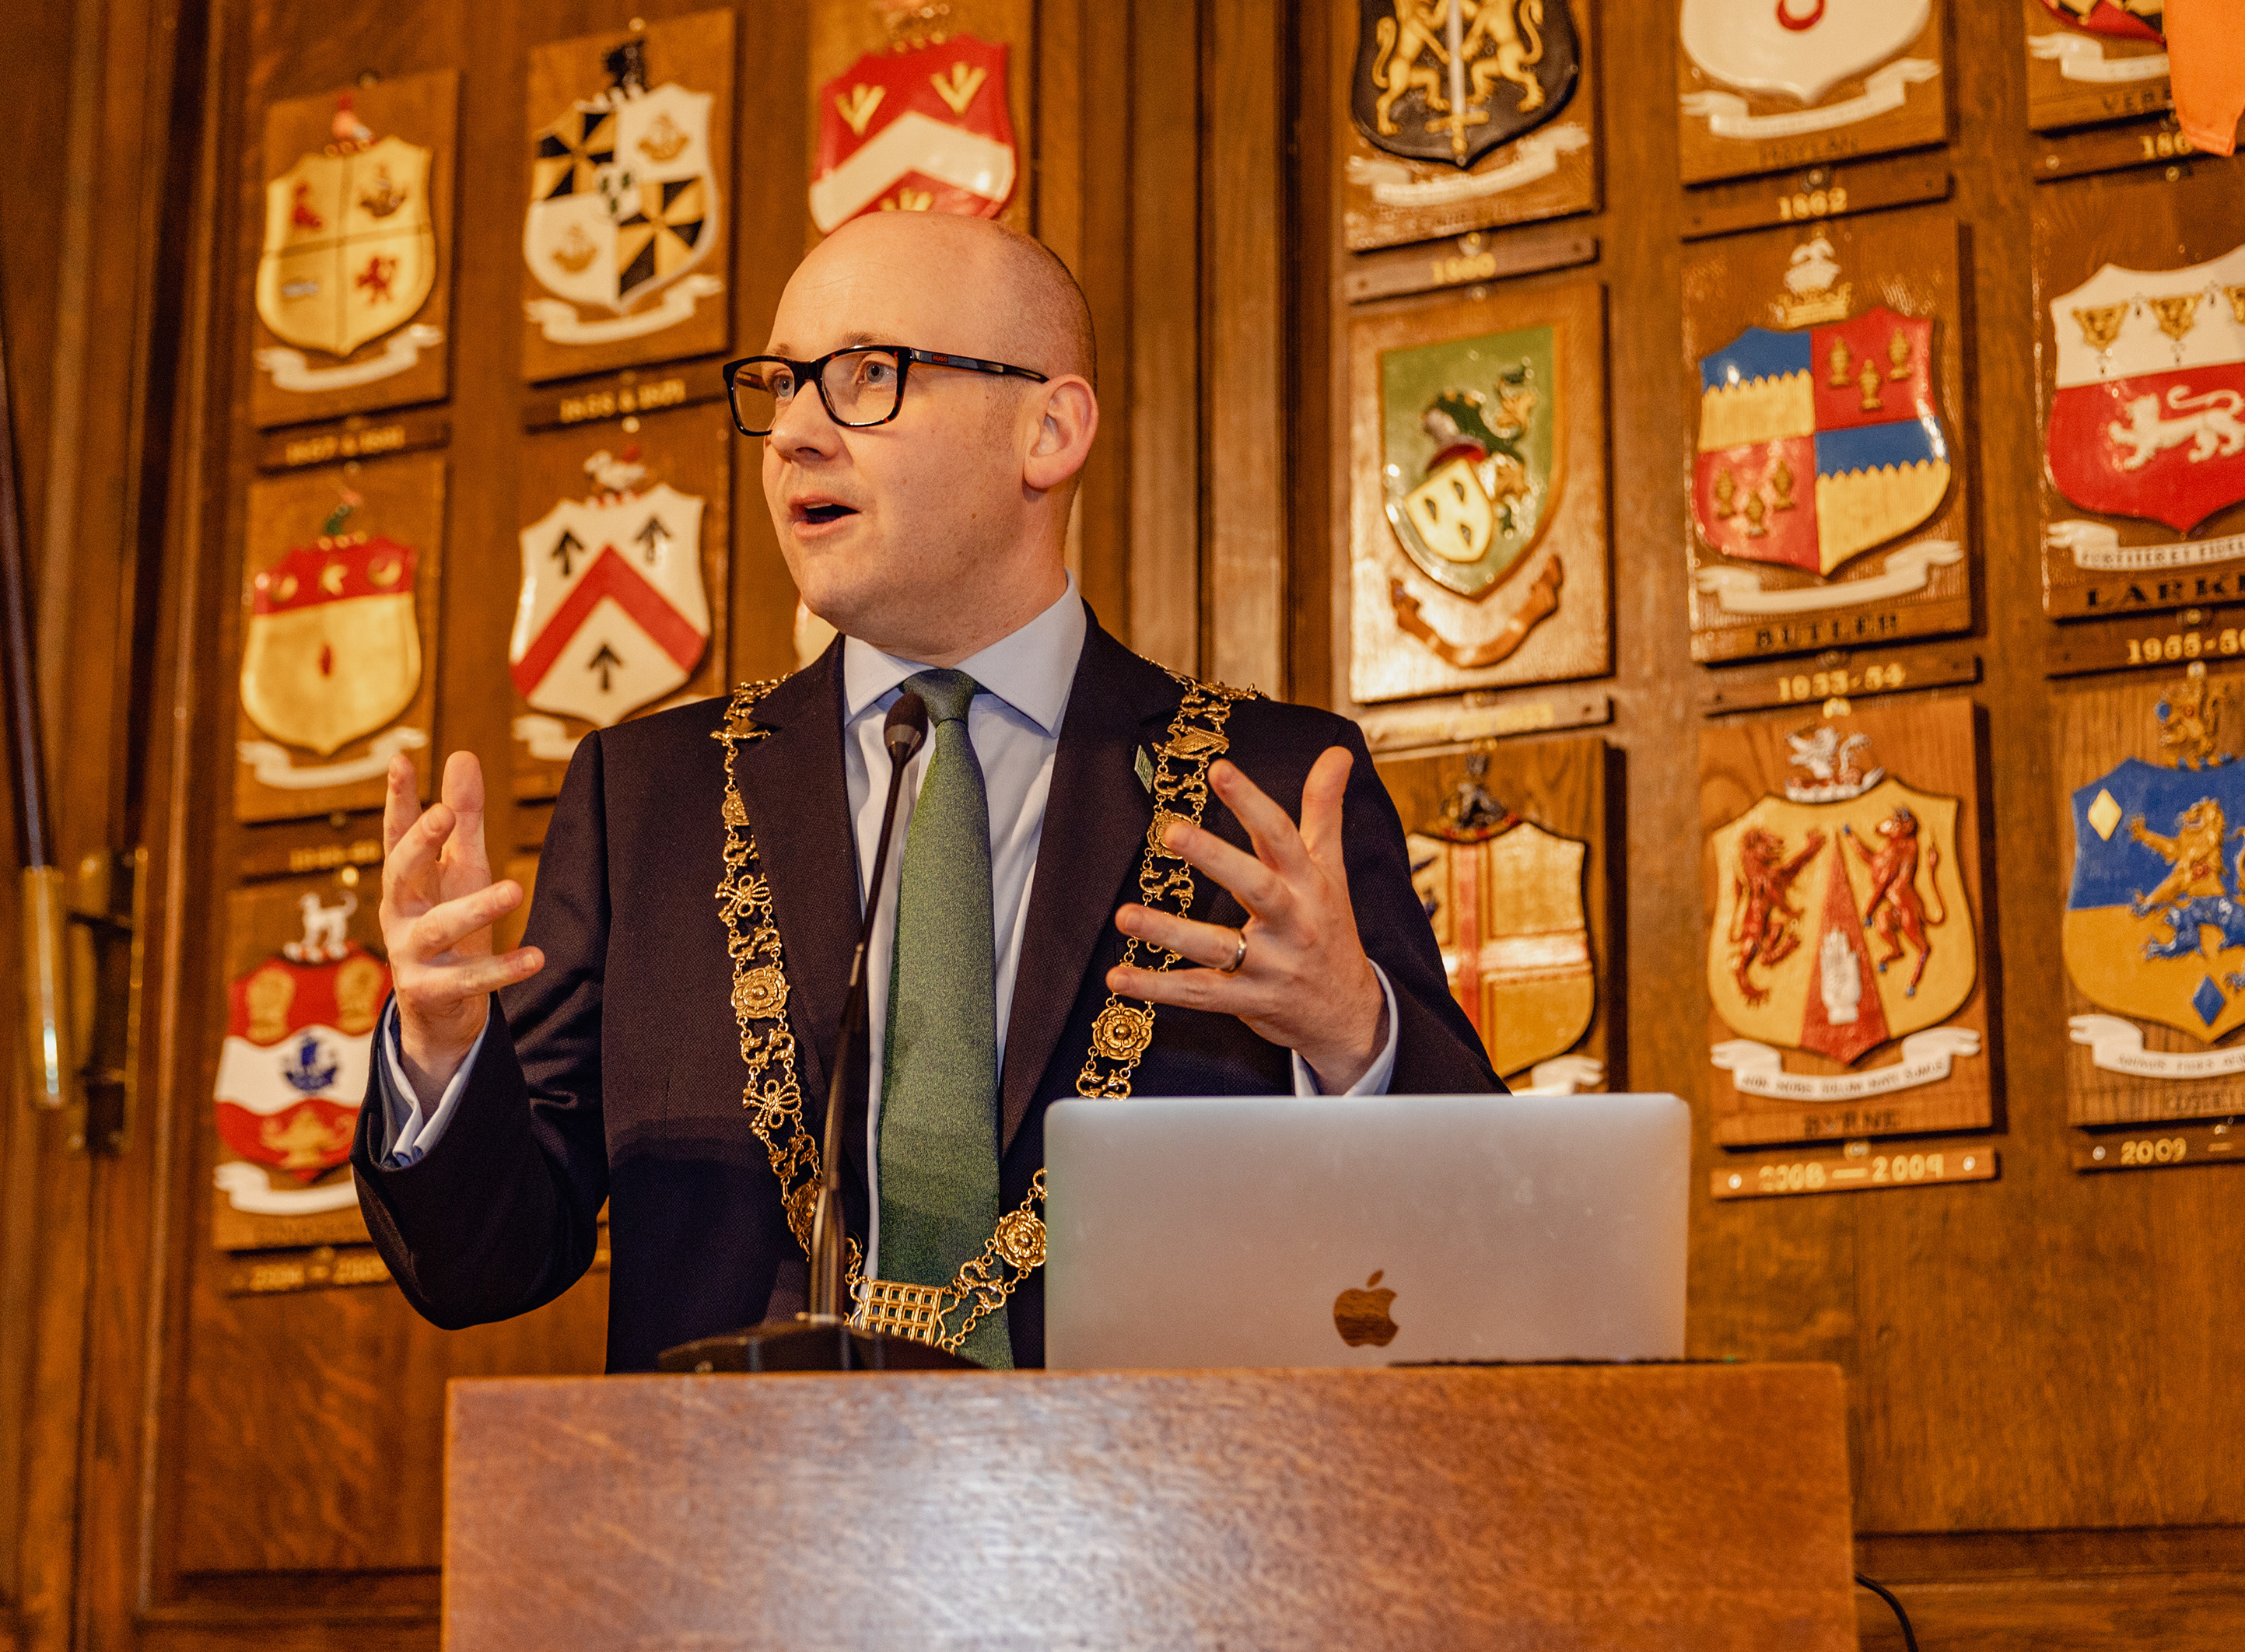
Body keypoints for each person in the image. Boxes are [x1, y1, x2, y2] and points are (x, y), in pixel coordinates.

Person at [356, 212, 1504, 1371]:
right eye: (780, 385)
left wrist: (1354, 1036)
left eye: (867, 375)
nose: (793, 434)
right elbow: (484, 1264)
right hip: (745, 1483)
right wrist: (440, 1053)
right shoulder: (649, 801)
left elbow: (1479, 1250)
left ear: (1048, 430)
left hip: (1154, 1480)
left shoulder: (1271, 788)